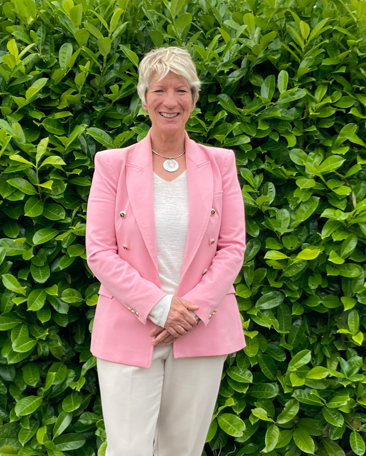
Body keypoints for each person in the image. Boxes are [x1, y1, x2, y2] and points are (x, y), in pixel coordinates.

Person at [84, 46, 247, 456]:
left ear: (194, 97)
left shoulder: (221, 163)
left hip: (201, 328)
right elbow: (99, 251)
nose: (170, 101)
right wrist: (159, 306)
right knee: (127, 450)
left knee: (182, 450)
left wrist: (187, 312)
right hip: (128, 328)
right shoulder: (112, 165)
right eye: (159, 90)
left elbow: (232, 247)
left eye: (181, 90)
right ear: (144, 99)